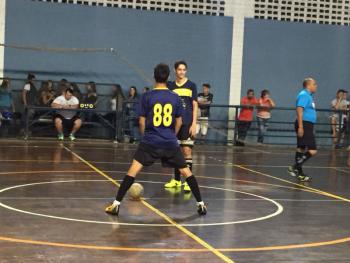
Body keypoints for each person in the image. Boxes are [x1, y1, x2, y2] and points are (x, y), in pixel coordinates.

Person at [105, 63, 207, 216]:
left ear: (154, 76)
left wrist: (144, 136)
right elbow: (179, 121)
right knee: (187, 172)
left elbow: (141, 121)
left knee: (132, 172)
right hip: (170, 142)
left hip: (150, 141)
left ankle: (116, 204)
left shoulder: (147, 96)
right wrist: (172, 134)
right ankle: (201, 204)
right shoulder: (175, 97)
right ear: (168, 77)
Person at [164, 61, 198, 192]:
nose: (181, 72)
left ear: (186, 71)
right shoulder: (170, 86)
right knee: (175, 151)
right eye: (179, 69)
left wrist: (194, 123)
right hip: (174, 124)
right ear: (175, 71)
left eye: (184, 70)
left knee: (187, 151)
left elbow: (195, 105)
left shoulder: (191, 85)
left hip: (187, 123)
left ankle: (188, 181)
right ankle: (177, 180)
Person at [288, 78, 318, 182]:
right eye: (314, 84)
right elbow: (299, 110)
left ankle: (300, 174)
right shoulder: (304, 95)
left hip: (307, 124)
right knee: (312, 150)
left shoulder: (308, 95)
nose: (316, 86)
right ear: (308, 85)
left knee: (301, 148)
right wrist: (301, 127)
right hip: (304, 124)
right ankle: (295, 166)